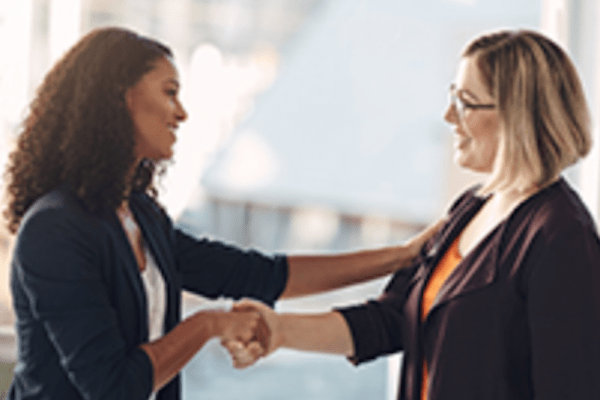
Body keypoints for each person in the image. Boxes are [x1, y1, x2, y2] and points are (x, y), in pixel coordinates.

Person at [4, 27, 442, 400]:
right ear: (122, 99)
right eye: (170, 92)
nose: (182, 112)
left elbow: (259, 275)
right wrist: (210, 324)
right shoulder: (55, 229)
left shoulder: (143, 218)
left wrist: (402, 256)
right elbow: (113, 387)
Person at [225, 29, 600, 400]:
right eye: (452, 97)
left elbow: (571, 387)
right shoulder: (471, 207)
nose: (449, 116)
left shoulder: (561, 235)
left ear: (518, 117)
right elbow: (393, 319)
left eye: (466, 102)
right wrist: (280, 330)